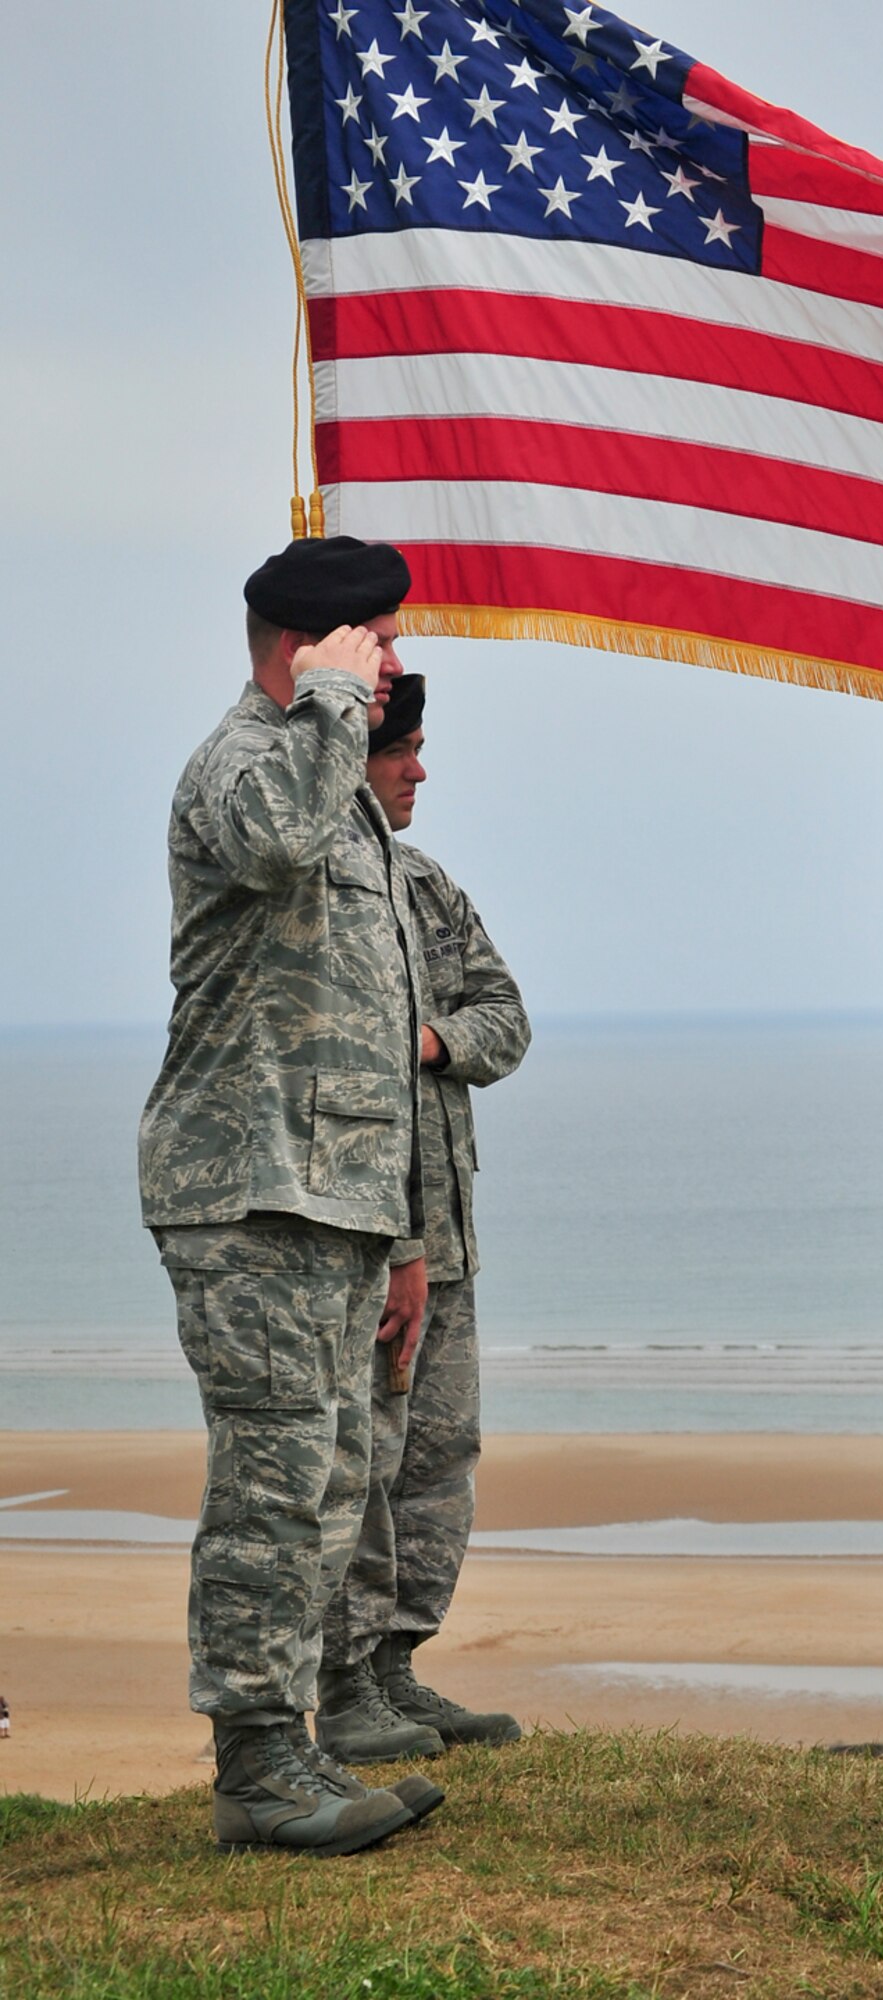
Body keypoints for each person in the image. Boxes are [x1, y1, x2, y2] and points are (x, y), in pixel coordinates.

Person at [139, 535, 444, 1855]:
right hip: (247, 1182)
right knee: (272, 1482)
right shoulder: (249, 762)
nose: (394, 668)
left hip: (332, 1194)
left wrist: (406, 1231)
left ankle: (297, 1748)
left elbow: (380, 1025)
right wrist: (326, 701)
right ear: (307, 645)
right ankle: (259, 1765)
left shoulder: (333, 779)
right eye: (375, 641)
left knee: (324, 1478)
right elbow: (273, 844)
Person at [318, 674, 532, 1763]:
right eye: (399, 749)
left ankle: (397, 1664)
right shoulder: (325, 886)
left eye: (417, 747)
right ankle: (344, 1680)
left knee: (438, 1456)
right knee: (361, 1462)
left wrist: (431, 1041)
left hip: (445, 1238)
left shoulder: (428, 887)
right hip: (366, 1239)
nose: (418, 768)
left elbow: (506, 1018)